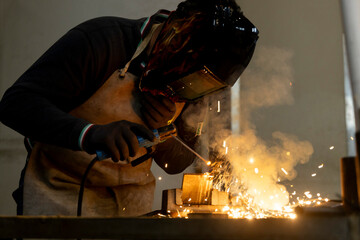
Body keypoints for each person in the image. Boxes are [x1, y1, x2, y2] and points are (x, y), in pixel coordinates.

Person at [0, 0, 258, 217]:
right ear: (174, 34)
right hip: (58, 202)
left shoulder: (201, 81)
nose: (183, 92)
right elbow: (15, 104)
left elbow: (176, 163)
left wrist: (164, 131)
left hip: (131, 212)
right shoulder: (102, 42)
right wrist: (90, 134)